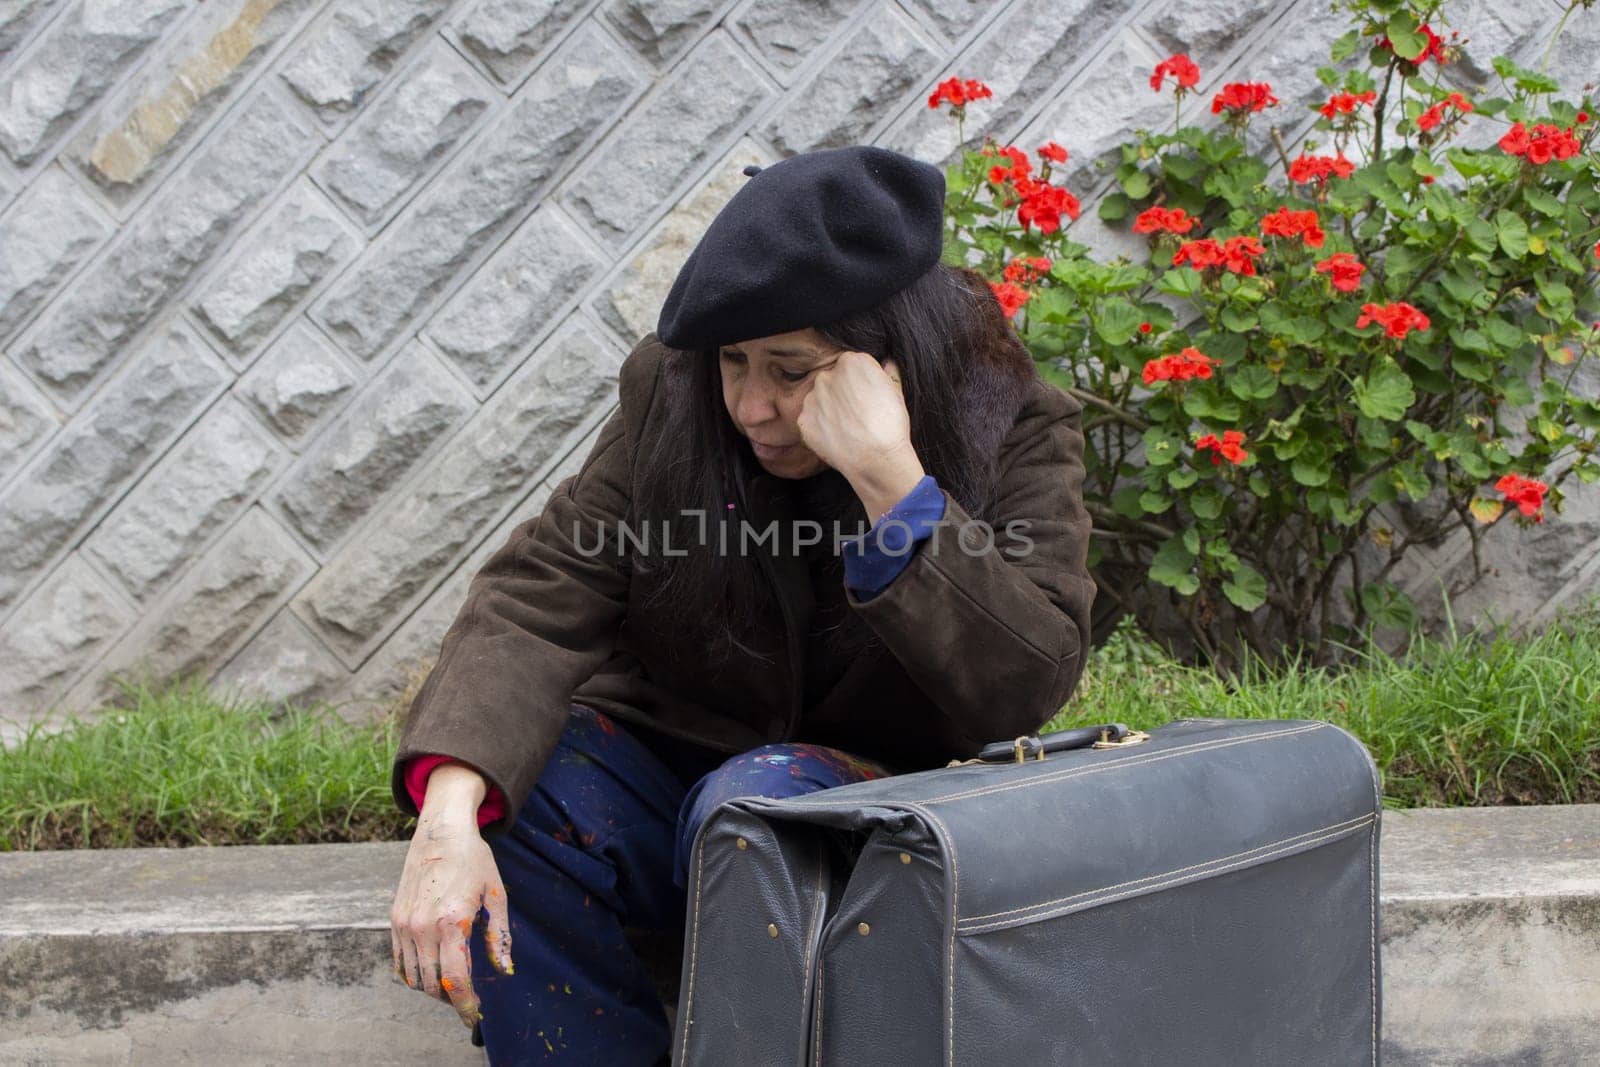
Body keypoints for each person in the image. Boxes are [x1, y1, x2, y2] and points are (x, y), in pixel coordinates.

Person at [386, 144, 1096, 1063]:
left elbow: (1026, 682)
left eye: (792, 370)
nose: (753, 405)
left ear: (886, 363)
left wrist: (894, 485)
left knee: (760, 807)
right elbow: (541, 590)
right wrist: (448, 812)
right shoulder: (672, 393)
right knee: (518, 793)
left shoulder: (1010, 418)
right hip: (679, 784)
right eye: (734, 361)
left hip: (880, 811)